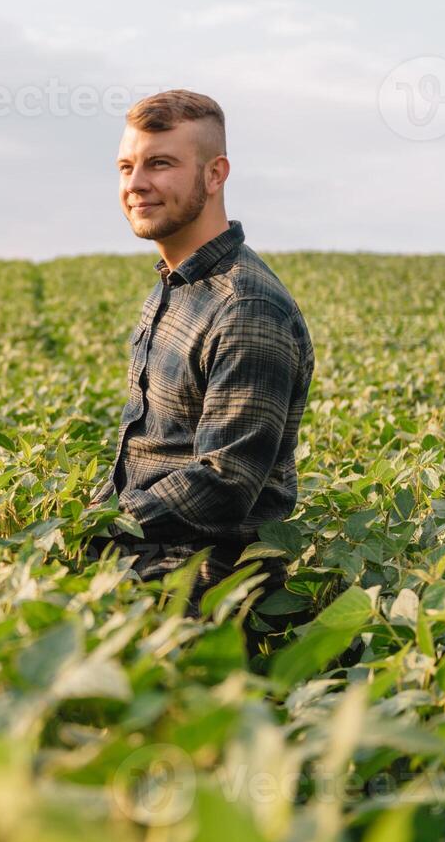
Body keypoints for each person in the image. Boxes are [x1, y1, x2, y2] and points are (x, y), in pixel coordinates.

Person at [84, 89, 315, 654]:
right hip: (141, 571)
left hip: (203, 602)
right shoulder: (174, 287)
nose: (136, 183)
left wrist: (95, 528)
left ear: (215, 175)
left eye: (160, 164)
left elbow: (225, 481)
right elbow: (151, 451)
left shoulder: (246, 308)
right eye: (126, 166)